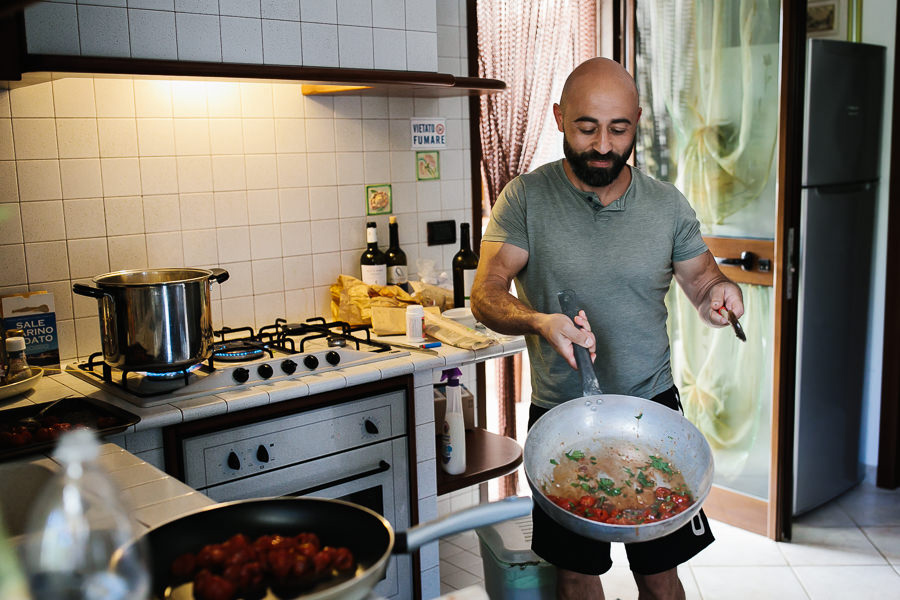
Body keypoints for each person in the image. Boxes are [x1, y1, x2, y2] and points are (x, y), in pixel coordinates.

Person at [470, 57, 744, 600]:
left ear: (637, 121)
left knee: (661, 577)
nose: (602, 145)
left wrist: (719, 295)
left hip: (654, 413)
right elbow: (487, 293)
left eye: (618, 129)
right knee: (574, 576)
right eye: (586, 127)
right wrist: (538, 320)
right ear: (558, 118)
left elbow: (703, 280)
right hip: (562, 417)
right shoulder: (525, 199)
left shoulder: (667, 206)